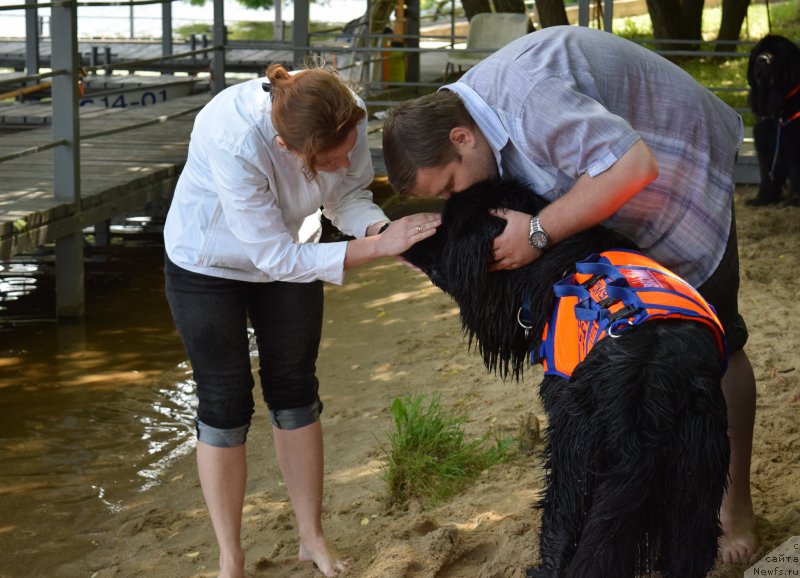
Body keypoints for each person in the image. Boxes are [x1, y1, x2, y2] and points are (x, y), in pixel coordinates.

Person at [382, 25, 757, 565]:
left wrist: (538, 233)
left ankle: (734, 505)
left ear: (461, 139)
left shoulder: (528, 94)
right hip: (611, 200)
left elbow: (635, 167)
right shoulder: (466, 119)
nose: (455, 199)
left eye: (449, 187)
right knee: (639, 357)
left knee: (714, 339)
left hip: (677, 167)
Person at [164, 63, 440, 578]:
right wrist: (378, 248)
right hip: (207, 260)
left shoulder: (344, 116)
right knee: (224, 402)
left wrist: (384, 227)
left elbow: (347, 197)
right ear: (291, 150)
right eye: (328, 159)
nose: (343, 160)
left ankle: (311, 538)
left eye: (347, 149)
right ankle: (231, 557)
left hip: (293, 248)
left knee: (294, 389)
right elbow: (272, 257)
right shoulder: (234, 136)